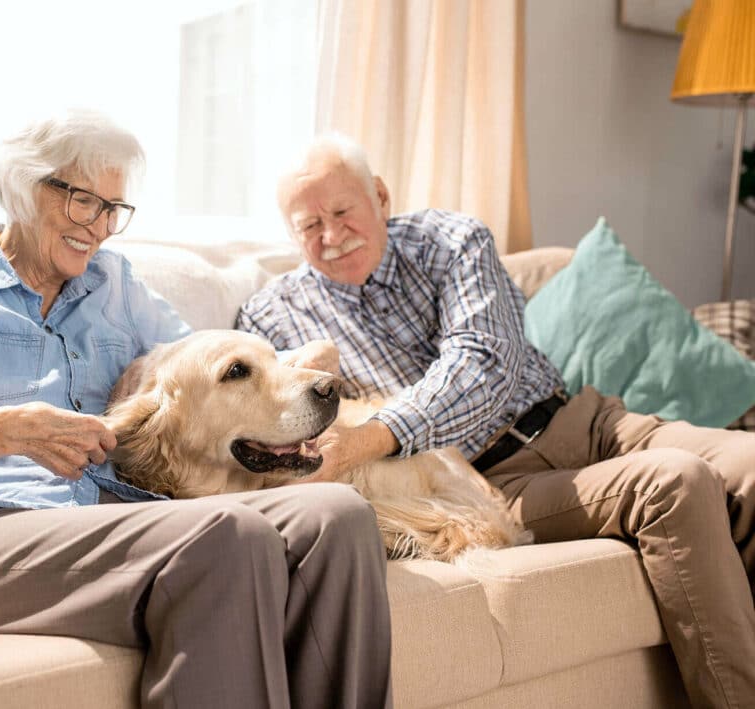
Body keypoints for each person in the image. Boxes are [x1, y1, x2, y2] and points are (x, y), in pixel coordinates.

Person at [0, 111, 393, 709]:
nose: (101, 228)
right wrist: (0, 431)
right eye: (86, 203)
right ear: (24, 189)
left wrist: (296, 369)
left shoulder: (113, 285)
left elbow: (207, 369)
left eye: (114, 209)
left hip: (110, 516)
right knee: (229, 535)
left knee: (336, 517)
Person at [236, 133, 755, 709]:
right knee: (676, 483)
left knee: (748, 467)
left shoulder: (453, 240)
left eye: (340, 211)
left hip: (589, 421)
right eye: (308, 226)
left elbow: (483, 363)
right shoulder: (270, 316)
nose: (330, 237)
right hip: (490, 482)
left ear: (379, 196)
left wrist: (370, 438)